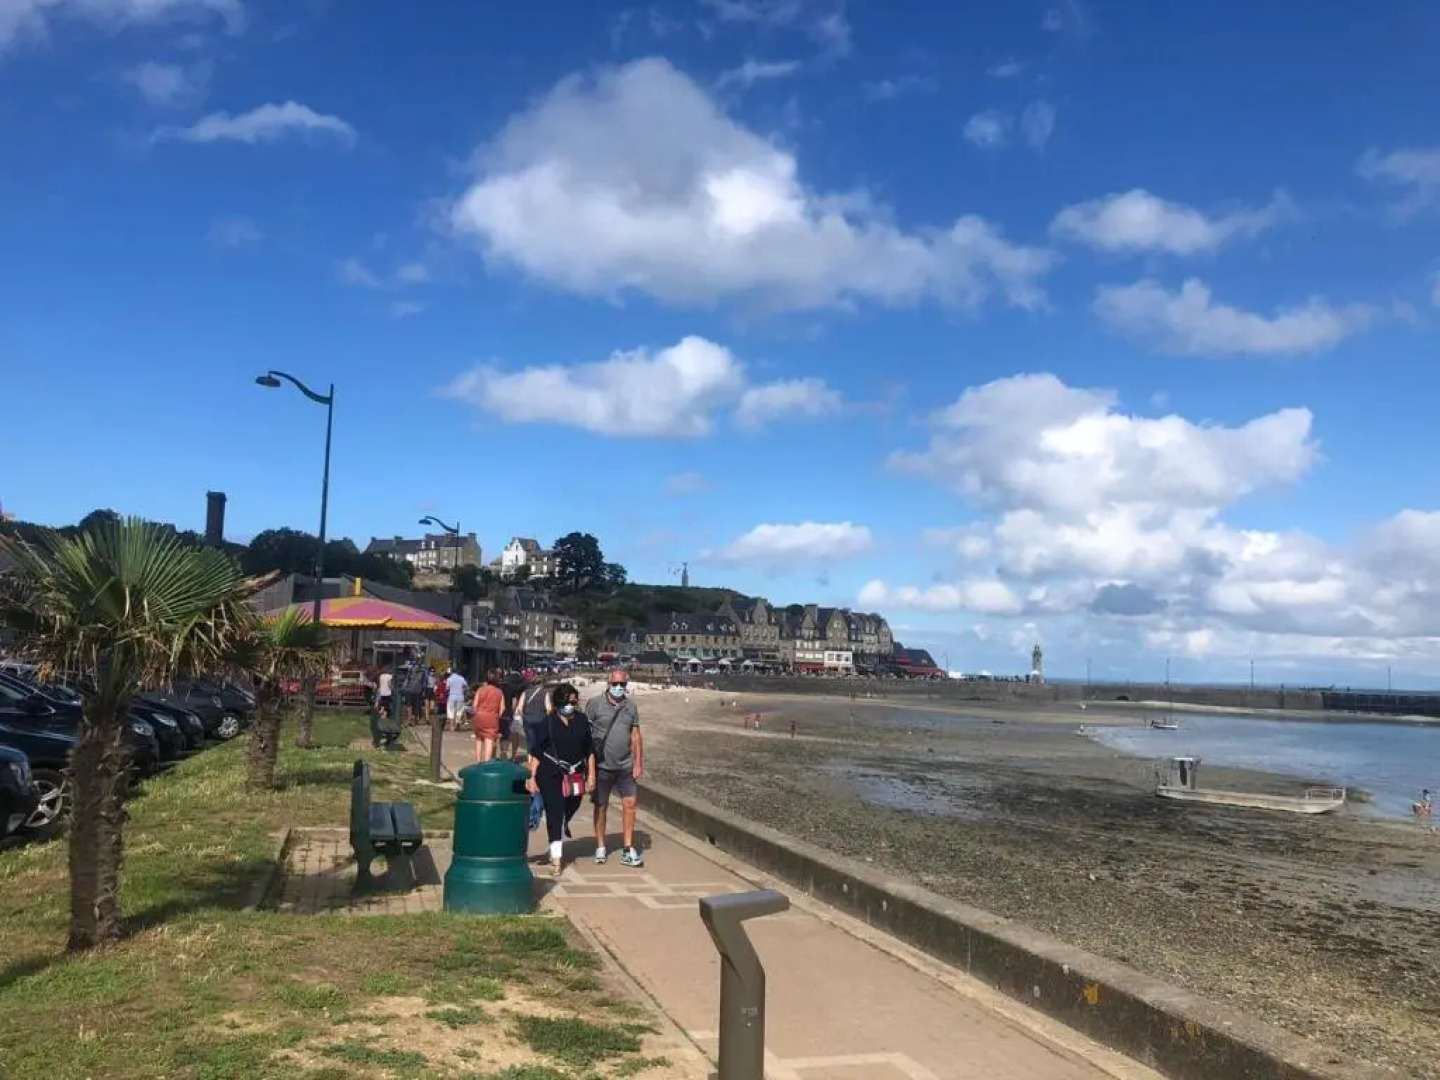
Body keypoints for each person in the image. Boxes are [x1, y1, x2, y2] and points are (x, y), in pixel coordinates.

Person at [525, 682, 595, 877]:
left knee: (572, 805)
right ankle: (556, 857)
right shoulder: (547, 723)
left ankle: (564, 824)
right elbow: (536, 753)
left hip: (575, 774)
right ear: (558, 702)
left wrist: (591, 776)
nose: (570, 705)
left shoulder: (581, 721)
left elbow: (589, 750)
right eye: (567, 702)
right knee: (555, 812)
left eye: (574, 702)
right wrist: (532, 778)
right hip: (550, 773)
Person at [586, 667, 644, 868]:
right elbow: (586, 737)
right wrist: (589, 770)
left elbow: (636, 735)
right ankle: (601, 845)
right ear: (608, 684)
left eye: (622, 684)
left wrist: (638, 763)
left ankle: (628, 848)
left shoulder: (631, 707)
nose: (619, 688)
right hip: (602, 766)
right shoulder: (594, 704)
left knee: (630, 804)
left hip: (625, 766)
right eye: (615, 684)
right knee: (601, 806)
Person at [471, 669, 505, 762]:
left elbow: (474, 705)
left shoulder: (480, 690)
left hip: (479, 716)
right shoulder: (499, 692)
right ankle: (487, 762)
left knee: (478, 739)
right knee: (489, 739)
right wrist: (497, 716)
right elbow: (502, 708)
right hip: (492, 717)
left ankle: (478, 761)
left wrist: (475, 714)